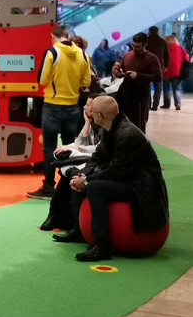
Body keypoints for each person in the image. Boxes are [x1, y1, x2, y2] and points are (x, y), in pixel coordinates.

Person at [53, 96, 169, 261]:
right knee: (80, 178)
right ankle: (78, 228)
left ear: (99, 115)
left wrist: (86, 181)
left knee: (94, 187)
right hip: (130, 180)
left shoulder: (127, 134)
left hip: (142, 188)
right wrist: (82, 175)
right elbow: (97, 157)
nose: (88, 113)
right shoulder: (110, 128)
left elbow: (117, 172)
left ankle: (102, 245)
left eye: (91, 111)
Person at [27, 25, 92, 200]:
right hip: (73, 106)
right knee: (70, 147)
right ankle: (69, 187)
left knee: (49, 148)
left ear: (53, 36)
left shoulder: (52, 52)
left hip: (52, 106)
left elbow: (42, 80)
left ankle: (49, 187)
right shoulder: (83, 54)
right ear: (68, 36)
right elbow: (86, 81)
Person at [40, 94, 103, 231]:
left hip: (100, 166)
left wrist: (76, 147)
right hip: (92, 162)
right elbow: (81, 142)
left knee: (73, 173)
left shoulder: (105, 125)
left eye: (88, 105)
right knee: (67, 173)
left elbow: (99, 148)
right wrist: (87, 123)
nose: (84, 107)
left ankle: (75, 224)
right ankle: (54, 215)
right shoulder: (92, 123)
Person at [112, 33, 162, 134]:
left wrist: (138, 75)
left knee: (139, 122)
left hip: (141, 94)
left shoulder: (151, 58)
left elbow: (158, 77)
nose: (134, 48)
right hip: (126, 92)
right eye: (133, 45)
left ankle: (139, 144)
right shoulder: (127, 55)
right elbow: (123, 72)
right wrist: (118, 73)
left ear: (144, 45)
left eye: (138, 47)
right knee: (123, 120)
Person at [145, 26, 170, 111]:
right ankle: (155, 104)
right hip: (159, 66)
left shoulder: (146, 41)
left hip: (147, 66)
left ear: (150, 32)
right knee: (158, 86)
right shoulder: (162, 42)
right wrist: (166, 66)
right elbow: (167, 55)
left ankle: (147, 104)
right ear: (158, 32)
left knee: (146, 85)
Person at [161, 34, 189, 110]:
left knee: (166, 88)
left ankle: (166, 104)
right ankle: (178, 104)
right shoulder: (181, 49)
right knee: (176, 88)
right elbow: (187, 59)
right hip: (177, 71)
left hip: (165, 71)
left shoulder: (163, 49)